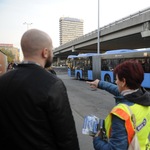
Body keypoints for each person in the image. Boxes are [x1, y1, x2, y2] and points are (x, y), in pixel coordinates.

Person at [0, 29, 80, 150]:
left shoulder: (3, 80)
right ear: (45, 52)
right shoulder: (53, 83)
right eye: (51, 49)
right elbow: (67, 136)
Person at [87, 61, 150, 150]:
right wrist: (100, 83)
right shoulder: (144, 98)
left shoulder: (121, 114)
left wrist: (96, 140)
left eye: (117, 79)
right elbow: (117, 90)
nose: (116, 82)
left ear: (123, 81)